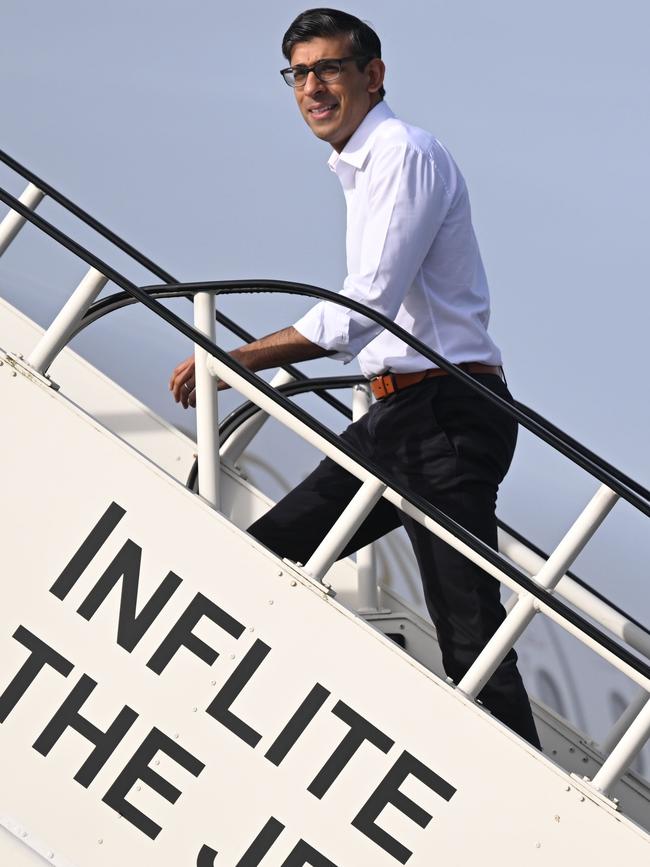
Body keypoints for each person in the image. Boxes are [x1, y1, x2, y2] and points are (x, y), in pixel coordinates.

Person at [170, 8, 540, 749]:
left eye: (329, 69)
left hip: (444, 410)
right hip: (400, 416)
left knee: (470, 639)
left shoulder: (401, 152)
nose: (312, 87)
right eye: (299, 73)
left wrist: (241, 358)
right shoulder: (362, 165)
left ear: (373, 75)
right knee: (269, 554)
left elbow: (364, 308)